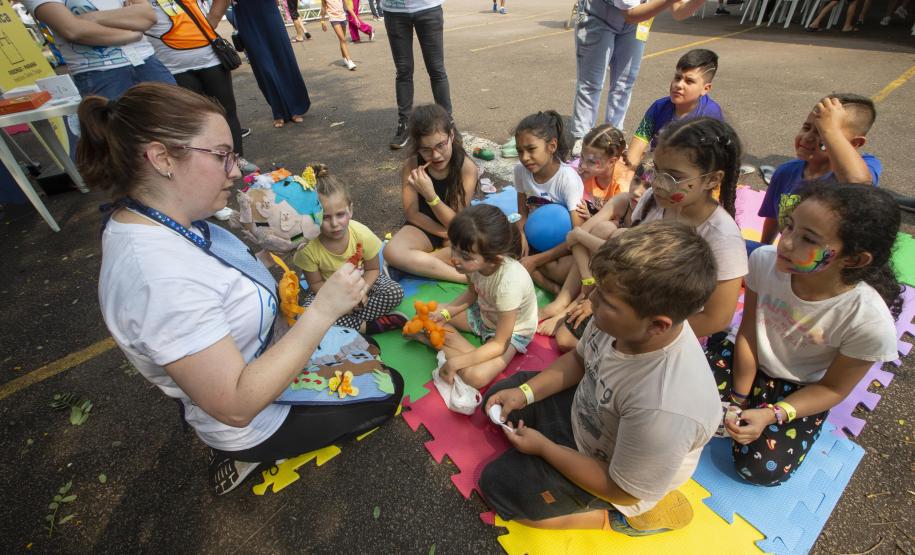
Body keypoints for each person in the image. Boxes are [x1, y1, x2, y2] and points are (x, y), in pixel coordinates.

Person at [83, 83, 403, 495]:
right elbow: (235, 405)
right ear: (163, 158)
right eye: (221, 155)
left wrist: (267, 236)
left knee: (364, 358)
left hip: (261, 356)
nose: (235, 170)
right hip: (250, 418)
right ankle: (247, 454)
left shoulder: (166, 220)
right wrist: (323, 309)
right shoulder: (156, 280)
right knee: (389, 388)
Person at [479, 220, 721, 536]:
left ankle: (615, 520)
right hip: (591, 413)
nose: (590, 300)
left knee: (498, 487)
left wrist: (545, 449)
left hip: (615, 477)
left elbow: (622, 488)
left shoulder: (666, 406)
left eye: (605, 301)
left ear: (658, 325)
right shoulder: (622, 320)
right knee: (502, 396)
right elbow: (581, 359)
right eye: (598, 289)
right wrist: (526, 392)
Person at [707, 183, 899, 485]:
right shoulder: (764, 261)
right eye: (790, 227)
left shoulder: (869, 323)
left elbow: (833, 389)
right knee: (678, 399)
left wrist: (772, 415)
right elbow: (748, 331)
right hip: (745, 360)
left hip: (798, 390)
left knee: (760, 470)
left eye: (808, 239)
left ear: (854, 259)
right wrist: (738, 397)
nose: (786, 243)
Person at [555, 118, 748, 353]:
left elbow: (717, 318)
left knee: (580, 348)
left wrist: (639, 334)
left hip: (669, 332)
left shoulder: (723, 238)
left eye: (673, 176)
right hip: (631, 307)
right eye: (656, 170)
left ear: (712, 180)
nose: (656, 183)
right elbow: (630, 263)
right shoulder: (652, 202)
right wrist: (597, 299)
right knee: (565, 338)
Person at [406, 204, 537, 389]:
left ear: (494, 259)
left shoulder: (509, 284)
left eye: (465, 256)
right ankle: (469, 353)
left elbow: (500, 344)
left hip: (511, 332)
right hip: (484, 313)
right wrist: (445, 315)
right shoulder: (472, 266)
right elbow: (471, 294)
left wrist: (454, 363)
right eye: (453, 248)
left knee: (475, 377)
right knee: (427, 314)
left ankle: (439, 344)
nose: (454, 259)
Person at [570, 0, 706, 149]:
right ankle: (582, 138)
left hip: (636, 22)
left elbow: (679, 12)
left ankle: (614, 135)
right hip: (599, 15)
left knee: (624, 83)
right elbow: (631, 14)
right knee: (592, 83)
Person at [294, 167, 407, 334]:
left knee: (394, 292)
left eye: (340, 215)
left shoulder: (362, 234)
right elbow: (316, 284)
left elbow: (373, 269)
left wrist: (362, 291)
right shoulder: (307, 248)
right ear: (312, 217)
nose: (334, 224)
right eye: (325, 217)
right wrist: (341, 301)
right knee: (303, 317)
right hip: (330, 290)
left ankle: (342, 324)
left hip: (362, 283)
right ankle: (366, 326)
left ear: (351, 210)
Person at [757, 94, 880, 246]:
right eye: (807, 127)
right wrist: (762, 249)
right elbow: (773, 217)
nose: (808, 137)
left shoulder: (866, 166)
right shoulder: (785, 172)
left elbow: (857, 184)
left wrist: (830, 130)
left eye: (821, 133)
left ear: (854, 144)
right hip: (792, 253)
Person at [538, 123, 626, 329]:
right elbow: (572, 234)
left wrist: (590, 219)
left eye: (591, 161)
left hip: (604, 254)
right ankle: (569, 293)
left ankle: (571, 299)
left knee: (601, 229)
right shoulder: (579, 170)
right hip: (582, 249)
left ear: (612, 161)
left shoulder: (623, 186)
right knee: (548, 264)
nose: (583, 165)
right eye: (582, 157)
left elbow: (613, 232)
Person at [383, 104, 479, 283]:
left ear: (451, 136)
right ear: (417, 147)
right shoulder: (412, 165)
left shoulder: (466, 168)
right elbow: (412, 213)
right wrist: (442, 233)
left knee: (478, 245)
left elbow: (456, 221)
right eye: (426, 150)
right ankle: (464, 278)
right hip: (425, 225)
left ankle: (415, 265)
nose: (435, 155)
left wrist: (431, 196)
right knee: (391, 251)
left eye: (441, 145)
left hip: (456, 226)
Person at [146, 0, 248, 158]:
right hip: (172, 67)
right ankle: (207, 166)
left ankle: (236, 161)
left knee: (226, 112)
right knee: (192, 121)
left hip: (211, 58)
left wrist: (212, 19)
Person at [23, 0, 176, 98]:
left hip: (148, 62)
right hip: (100, 73)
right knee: (123, 142)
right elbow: (72, 30)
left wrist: (91, 17)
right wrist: (132, 32)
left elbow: (148, 16)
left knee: (181, 129)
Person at [513, 111, 585, 295]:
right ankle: (553, 288)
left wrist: (536, 260)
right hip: (532, 240)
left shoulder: (568, 179)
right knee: (498, 247)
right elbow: (521, 210)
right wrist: (521, 235)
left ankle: (543, 274)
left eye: (531, 149)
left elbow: (578, 234)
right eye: (520, 151)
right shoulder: (521, 171)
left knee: (568, 268)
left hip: (563, 248)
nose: (525, 157)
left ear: (552, 146)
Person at [623, 49, 723, 177]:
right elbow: (635, 152)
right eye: (677, 77)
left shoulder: (711, 115)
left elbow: (710, 164)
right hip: (656, 170)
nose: (679, 85)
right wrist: (626, 178)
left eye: (689, 81)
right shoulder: (658, 107)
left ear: (705, 88)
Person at [383, 0, 452, 149]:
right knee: (403, 71)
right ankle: (405, 124)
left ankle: (447, 123)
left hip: (428, 7)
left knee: (436, 69)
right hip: (394, 10)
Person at [233, 0, 311, 128]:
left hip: (269, 13)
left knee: (283, 60)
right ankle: (278, 111)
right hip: (246, 17)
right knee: (263, 67)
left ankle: (294, 108)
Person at [322, 0, 358, 70]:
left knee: (342, 40)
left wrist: (355, 18)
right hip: (334, 19)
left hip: (342, 18)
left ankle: (344, 58)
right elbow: (323, 8)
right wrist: (322, 22)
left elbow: (347, 6)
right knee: (343, 40)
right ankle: (350, 61)